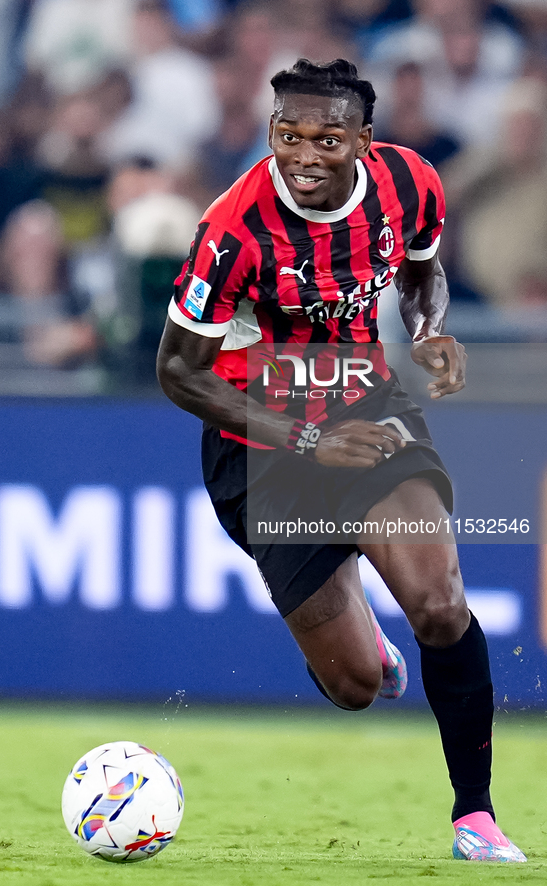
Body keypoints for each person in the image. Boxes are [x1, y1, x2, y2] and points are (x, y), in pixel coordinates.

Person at [156, 58, 526, 863]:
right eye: (286, 135)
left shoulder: (408, 183)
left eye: (327, 137)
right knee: (353, 687)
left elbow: (422, 275)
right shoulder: (232, 229)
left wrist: (426, 331)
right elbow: (177, 370)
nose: (303, 154)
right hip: (260, 446)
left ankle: (475, 815)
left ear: (364, 140)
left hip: (362, 405)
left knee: (437, 601)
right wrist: (303, 441)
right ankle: (370, 649)